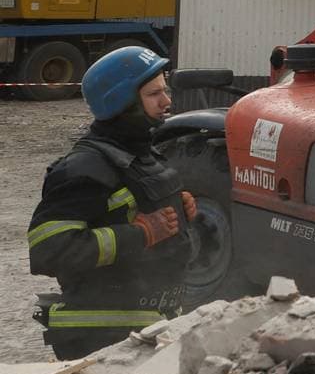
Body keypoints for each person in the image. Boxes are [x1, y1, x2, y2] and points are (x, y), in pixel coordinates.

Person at [28, 46, 197, 357]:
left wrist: (180, 211)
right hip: (100, 337)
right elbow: (48, 250)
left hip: (147, 328)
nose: (167, 101)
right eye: (153, 94)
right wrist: (140, 234)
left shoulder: (142, 156)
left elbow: (132, 213)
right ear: (122, 102)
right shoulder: (84, 169)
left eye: (165, 90)